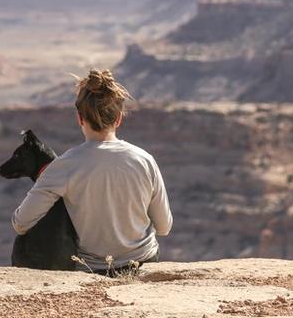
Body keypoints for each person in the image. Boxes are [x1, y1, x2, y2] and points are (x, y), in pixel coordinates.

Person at [11, 69, 172, 273]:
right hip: (143, 263)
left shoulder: (64, 166)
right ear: (119, 118)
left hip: (94, 270)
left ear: (79, 117)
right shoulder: (145, 160)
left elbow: (21, 223)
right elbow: (164, 227)